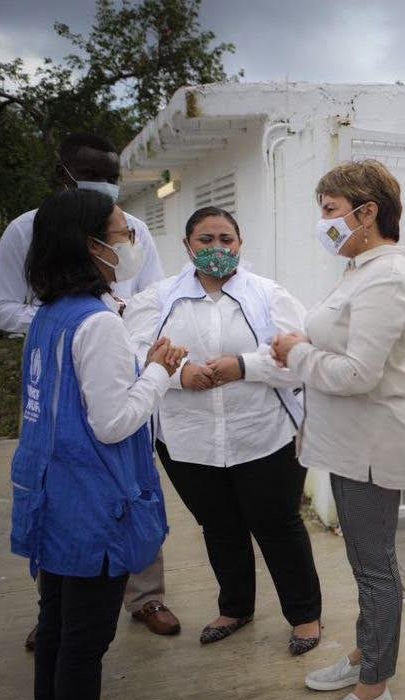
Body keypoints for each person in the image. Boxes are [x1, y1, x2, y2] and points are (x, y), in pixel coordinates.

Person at [10, 189, 184, 700]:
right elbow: (112, 422)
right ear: (91, 246)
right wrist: (159, 370)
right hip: (91, 505)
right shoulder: (99, 323)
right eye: (120, 232)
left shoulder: (51, 316)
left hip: (54, 498)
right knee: (83, 642)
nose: (129, 242)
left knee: (56, 629)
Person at [0, 132, 179, 646]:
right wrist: (87, 321)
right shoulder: (30, 231)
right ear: (63, 174)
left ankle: (141, 596)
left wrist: (122, 332)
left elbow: (153, 297)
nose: (108, 188)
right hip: (73, 374)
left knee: (128, 490)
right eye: (94, 174)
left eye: (112, 177)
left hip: (123, 361)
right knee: (75, 503)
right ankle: (68, 609)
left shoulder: (131, 230)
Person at [124, 206, 323, 654]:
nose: (217, 249)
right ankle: (235, 608)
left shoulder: (269, 296)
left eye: (226, 240)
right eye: (205, 240)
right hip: (189, 441)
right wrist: (179, 376)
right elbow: (133, 356)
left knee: (278, 526)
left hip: (265, 436)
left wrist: (244, 367)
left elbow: (302, 359)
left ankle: (305, 616)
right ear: (187, 246)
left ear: (240, 243)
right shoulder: (157, 300)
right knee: (219, 527)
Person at [272, 160, 405, 700]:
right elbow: (323, 345)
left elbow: (360, 372)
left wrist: (297, 355)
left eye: (331, 211)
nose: (325, 223)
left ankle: (373, 688)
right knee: (364, 565)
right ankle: (366, 653)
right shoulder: (360, 269)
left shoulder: (388, 276)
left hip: (372, 445)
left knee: (375, 568)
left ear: (368, 212)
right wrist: (276, 358)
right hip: (346, 444)